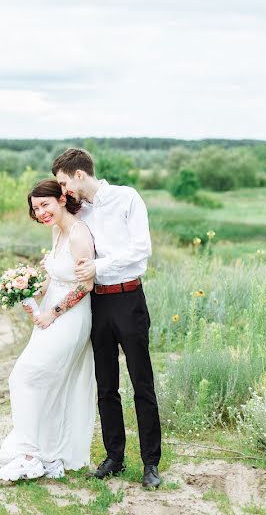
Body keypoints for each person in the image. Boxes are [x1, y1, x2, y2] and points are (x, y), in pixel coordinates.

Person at [53, 148, 162, 489]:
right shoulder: (78, 210)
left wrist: (100, 265)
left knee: (142, 384)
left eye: (64, 182)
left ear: (79, 175)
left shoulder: (127, 198)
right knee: (106, 385)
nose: (63, 190)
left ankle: (150, 464)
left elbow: (142, 247)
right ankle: (114, 457)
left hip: (129, 299)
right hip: (97, 304)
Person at [0, 179, 97, 482]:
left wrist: (53, 312)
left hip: (70, 318)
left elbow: (85, 285)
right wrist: (32, 293)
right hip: (51, 313)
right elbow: (54, 275)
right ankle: (50, 455)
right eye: (36, 208)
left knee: (23, 377)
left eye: (45, 204)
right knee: (50, 385)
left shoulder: (79, 234)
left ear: (62, 198)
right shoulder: (56, 231)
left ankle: (27, 456)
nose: (41, 212)